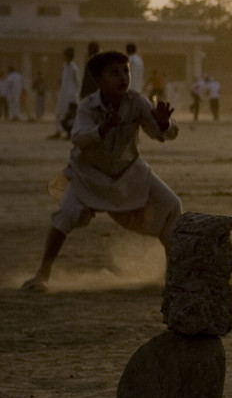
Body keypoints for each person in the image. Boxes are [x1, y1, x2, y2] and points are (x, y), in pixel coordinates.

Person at [21, 50, 181, 292]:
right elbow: (78, 137)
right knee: (65, 215)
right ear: (100, 80)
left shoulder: (137, 102)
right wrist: (102, 129)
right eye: (114, 73)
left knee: (171, 206)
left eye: (125, 71)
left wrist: (163, 122)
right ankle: (42, 274)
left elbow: (163, 134)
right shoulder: (88, 106)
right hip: (88, 174)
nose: (122, 78)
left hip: (129, 172)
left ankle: (174, 275)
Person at [50, 47, 80, 139]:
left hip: (71, 95)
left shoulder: (74, 68)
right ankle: (58, 131)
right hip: (63, 94)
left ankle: (70, 133)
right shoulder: (65, 67)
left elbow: (77, 82)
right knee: (58, 113)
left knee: (70, 115)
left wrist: (76, 95)